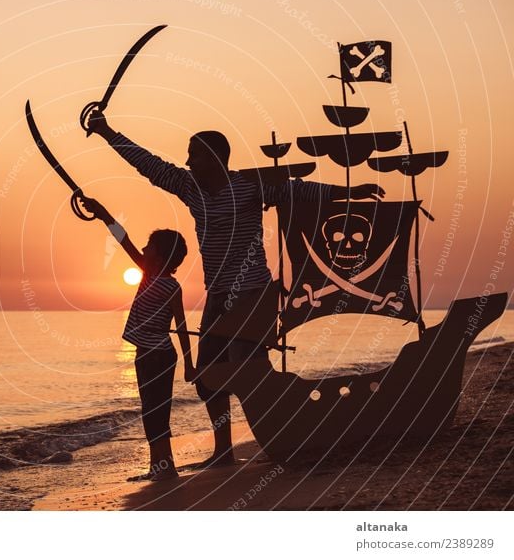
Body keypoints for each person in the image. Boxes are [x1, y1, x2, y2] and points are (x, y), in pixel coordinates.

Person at [86, 111, 385, 466]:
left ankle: (281, 435)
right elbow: (149, 164)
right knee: (208, 378)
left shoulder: (251, 185)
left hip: (253, 293)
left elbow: (299, 189)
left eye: (193, 154)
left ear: (214, 158)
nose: (187, 161)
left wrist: (347, 193)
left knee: (249, 372)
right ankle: (224, 450)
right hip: (217, 296)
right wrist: (106, 131)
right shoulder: (189, 187)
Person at [81, 196, 194, 481]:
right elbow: (123, 238)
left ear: (159, 256)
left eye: (149, 247)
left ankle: (164, 467)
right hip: (156, 354)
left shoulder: (159, 279)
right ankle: (161, 465)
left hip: (154, 355)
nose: (143, 249)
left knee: (155, 411)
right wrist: (102, 212)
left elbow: (181, 326)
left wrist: (191, 365)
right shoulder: (157, 277)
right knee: (153, 411)